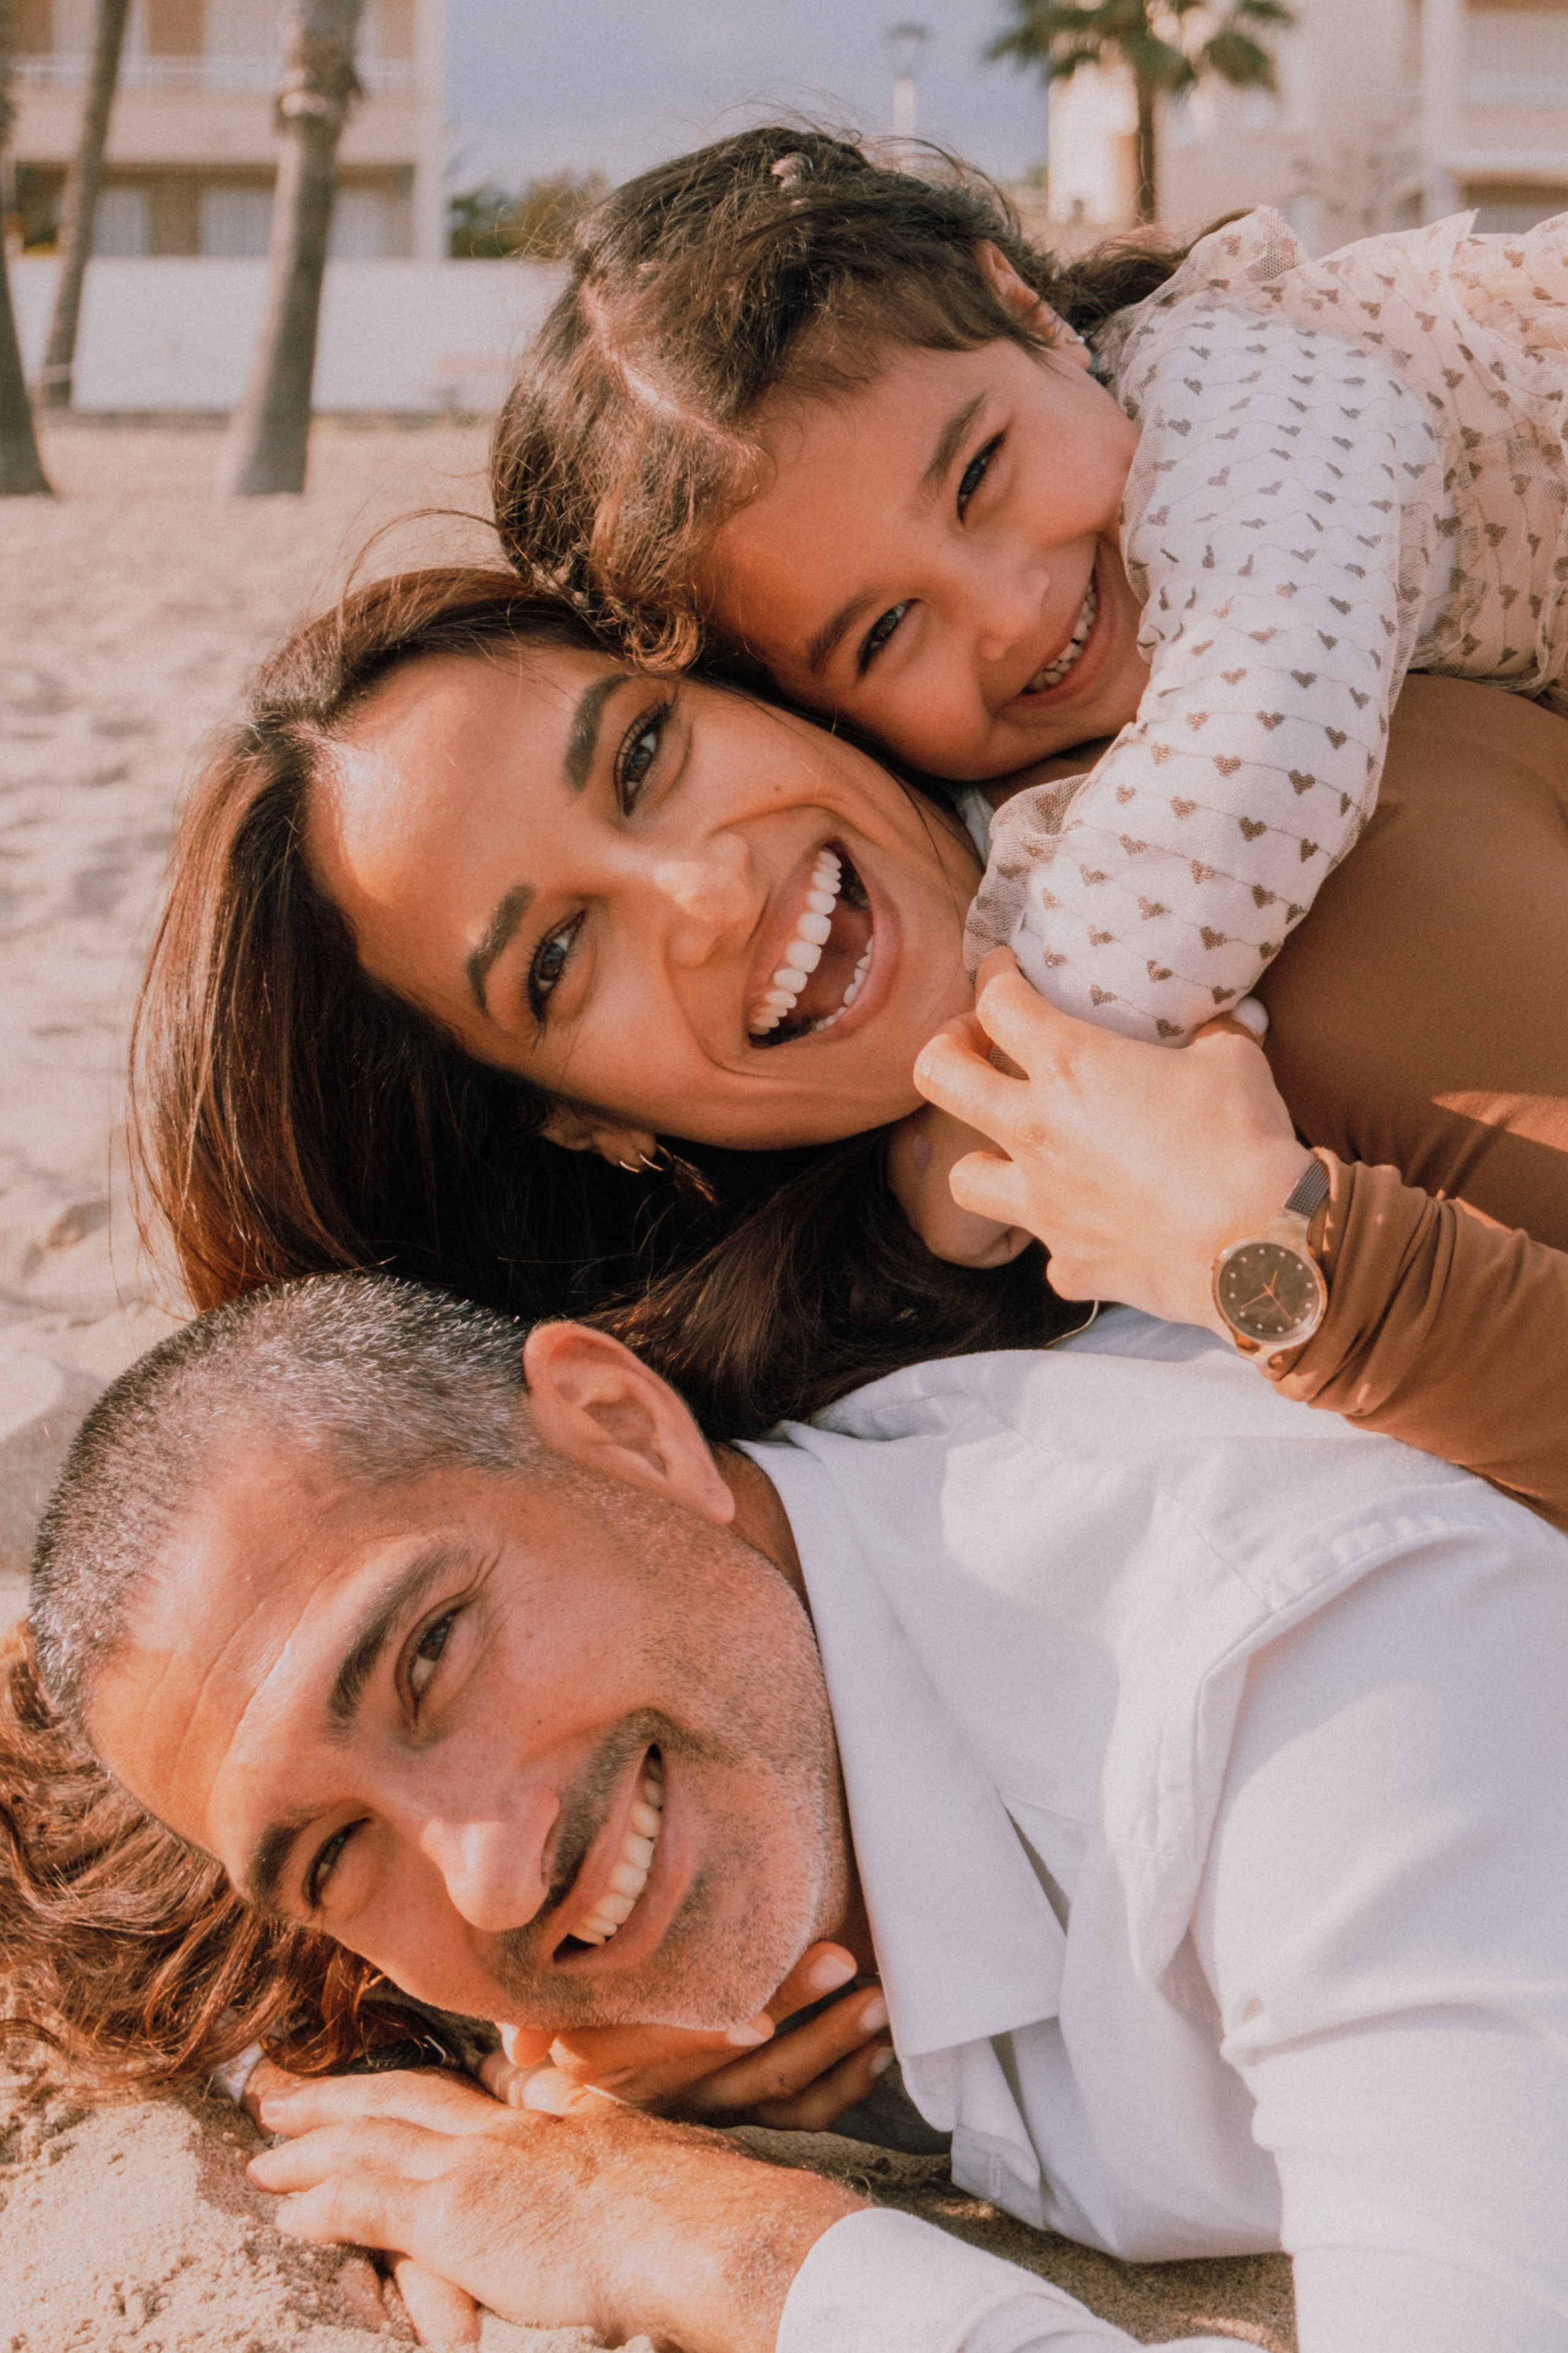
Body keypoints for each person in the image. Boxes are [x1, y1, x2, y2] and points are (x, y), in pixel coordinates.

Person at [23, 1271, 1568, 2350]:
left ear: (626, 1431)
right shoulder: (727, 1770)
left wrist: (721, 2244)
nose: (490, 1880)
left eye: (430, 1655)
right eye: (337, 1856)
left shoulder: (1304, 1664)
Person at [132, 564, 1568, 1527]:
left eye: (643, 757)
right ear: (579, 1122)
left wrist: (1279, 1264)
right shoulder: (833, 1450)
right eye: (560, 961)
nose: (702, 896)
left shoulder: (1224, 696)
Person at [491, 127, 1568, 1049]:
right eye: (886, 632)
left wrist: (999, 1073)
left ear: (1030, 311)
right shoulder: (985, 774)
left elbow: (1262, 756)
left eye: (976, 477)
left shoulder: (1236, 392)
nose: (1009, 614)